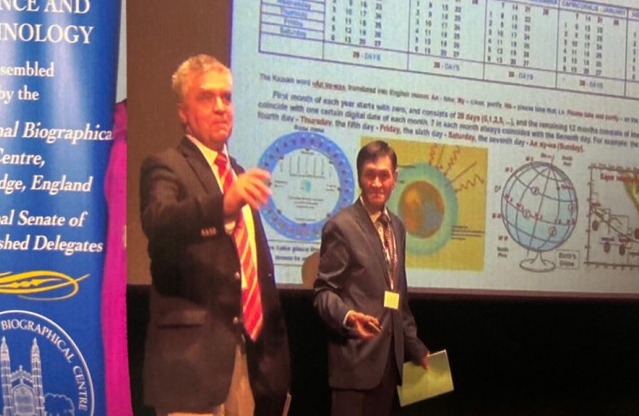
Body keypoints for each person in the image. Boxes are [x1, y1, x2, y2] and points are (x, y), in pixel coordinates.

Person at [140, 54, 290, 416]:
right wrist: (223, 205)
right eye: (207, 97)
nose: (221, 107)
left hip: (248, 364)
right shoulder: (166, 166)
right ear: (183, 112)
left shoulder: (237, 173)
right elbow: (159, 221)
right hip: (190, 367)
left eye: (227, 97)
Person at [314, 140, 428, 416]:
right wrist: (347, 316)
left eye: (384, 175)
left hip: (389, 366)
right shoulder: (341, 226)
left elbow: (398, 297)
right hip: (355, 363)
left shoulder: (397, 227)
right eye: (370, 175)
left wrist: (416, 348)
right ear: (359, 177)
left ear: (395, 178)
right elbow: (323, 292)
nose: (377, 183)